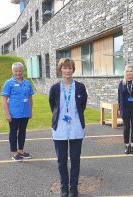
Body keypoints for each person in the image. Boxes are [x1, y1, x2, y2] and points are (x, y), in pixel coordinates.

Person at [49, 58, 87, 197]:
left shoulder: (80, 87)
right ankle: (64, 187)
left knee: (75, 159)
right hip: (60, 128)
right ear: (60, 70)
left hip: (76, 127)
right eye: (64, 68)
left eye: (70, 68)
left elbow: (82, 105)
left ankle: (73, 188)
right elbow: (53, 106)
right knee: (61, 160)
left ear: (73, 70)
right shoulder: (54, 88)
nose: (67, 71)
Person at [1, 62, 34, 161]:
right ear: (12, 71)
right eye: (16, 71)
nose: (18, 73)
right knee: (13, 132)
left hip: (25, 112)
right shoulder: (8, 83)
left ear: (22, 71)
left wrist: (30, 111)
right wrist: (7, 114)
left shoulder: (27, 83)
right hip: (13, 114)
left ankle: (21, 150)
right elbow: (4, 100)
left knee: (22, 132)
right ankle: (14, 153)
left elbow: (30, 98)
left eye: (19, 70)